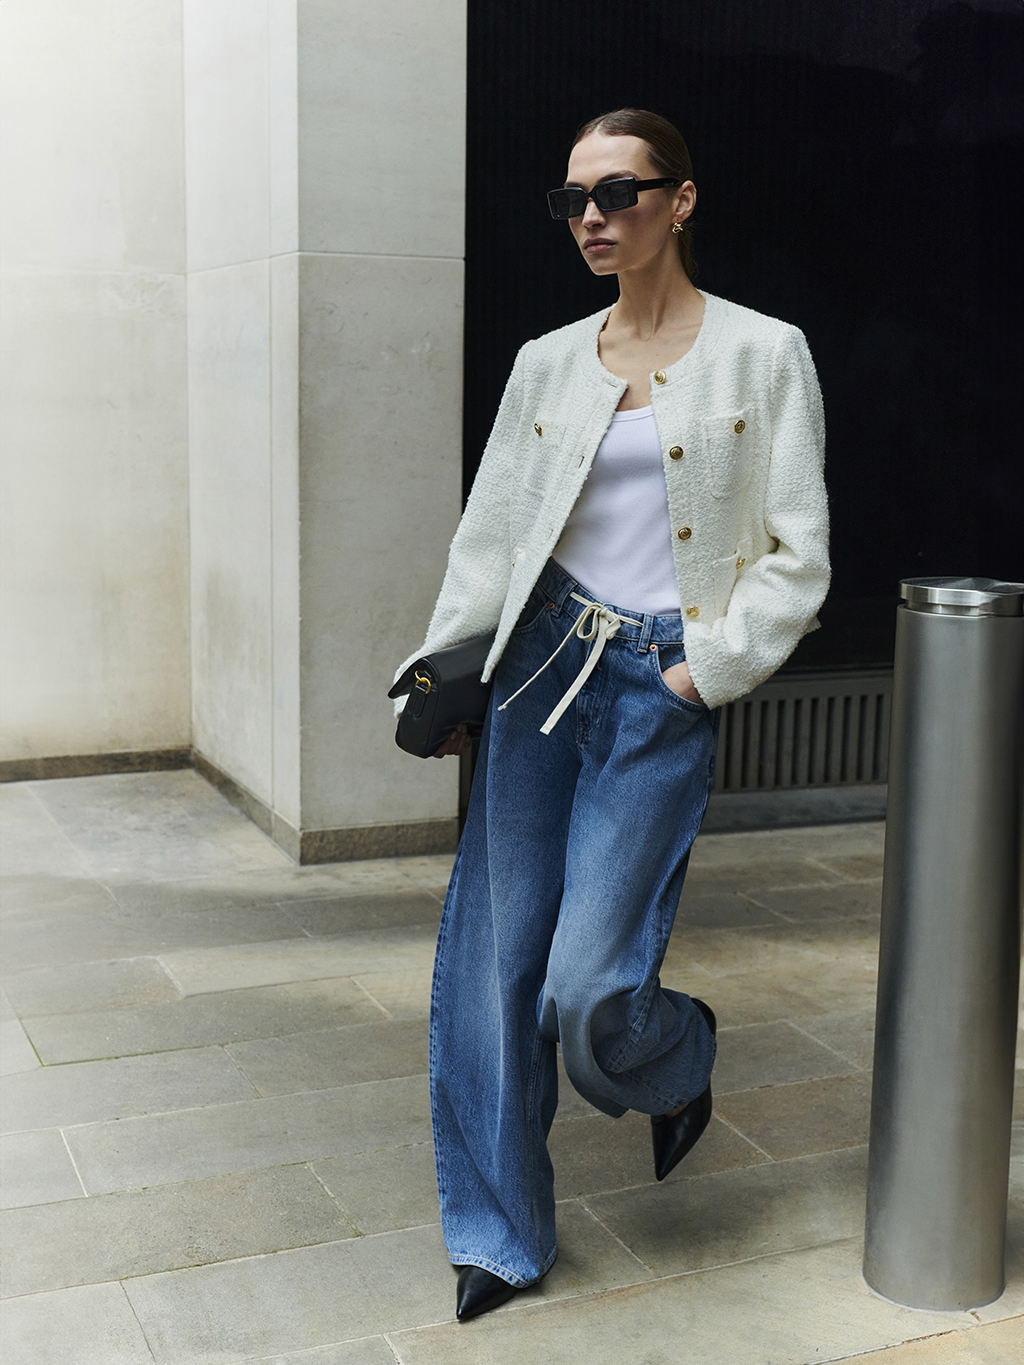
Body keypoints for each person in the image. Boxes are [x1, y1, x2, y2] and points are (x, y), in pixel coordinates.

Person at [393, 107, 829, 1323]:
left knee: (587, 987)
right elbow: (490, 538)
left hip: (658, 685)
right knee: (495, 967)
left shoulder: (762, 353)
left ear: (680, 200)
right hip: (536, 673)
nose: (593, 216)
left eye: (620, 192)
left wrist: (706, 668)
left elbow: (797, 554)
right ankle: (497, 1234)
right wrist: (445, 671)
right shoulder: (546, 360)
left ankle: (674, 1052)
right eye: (574, 199)